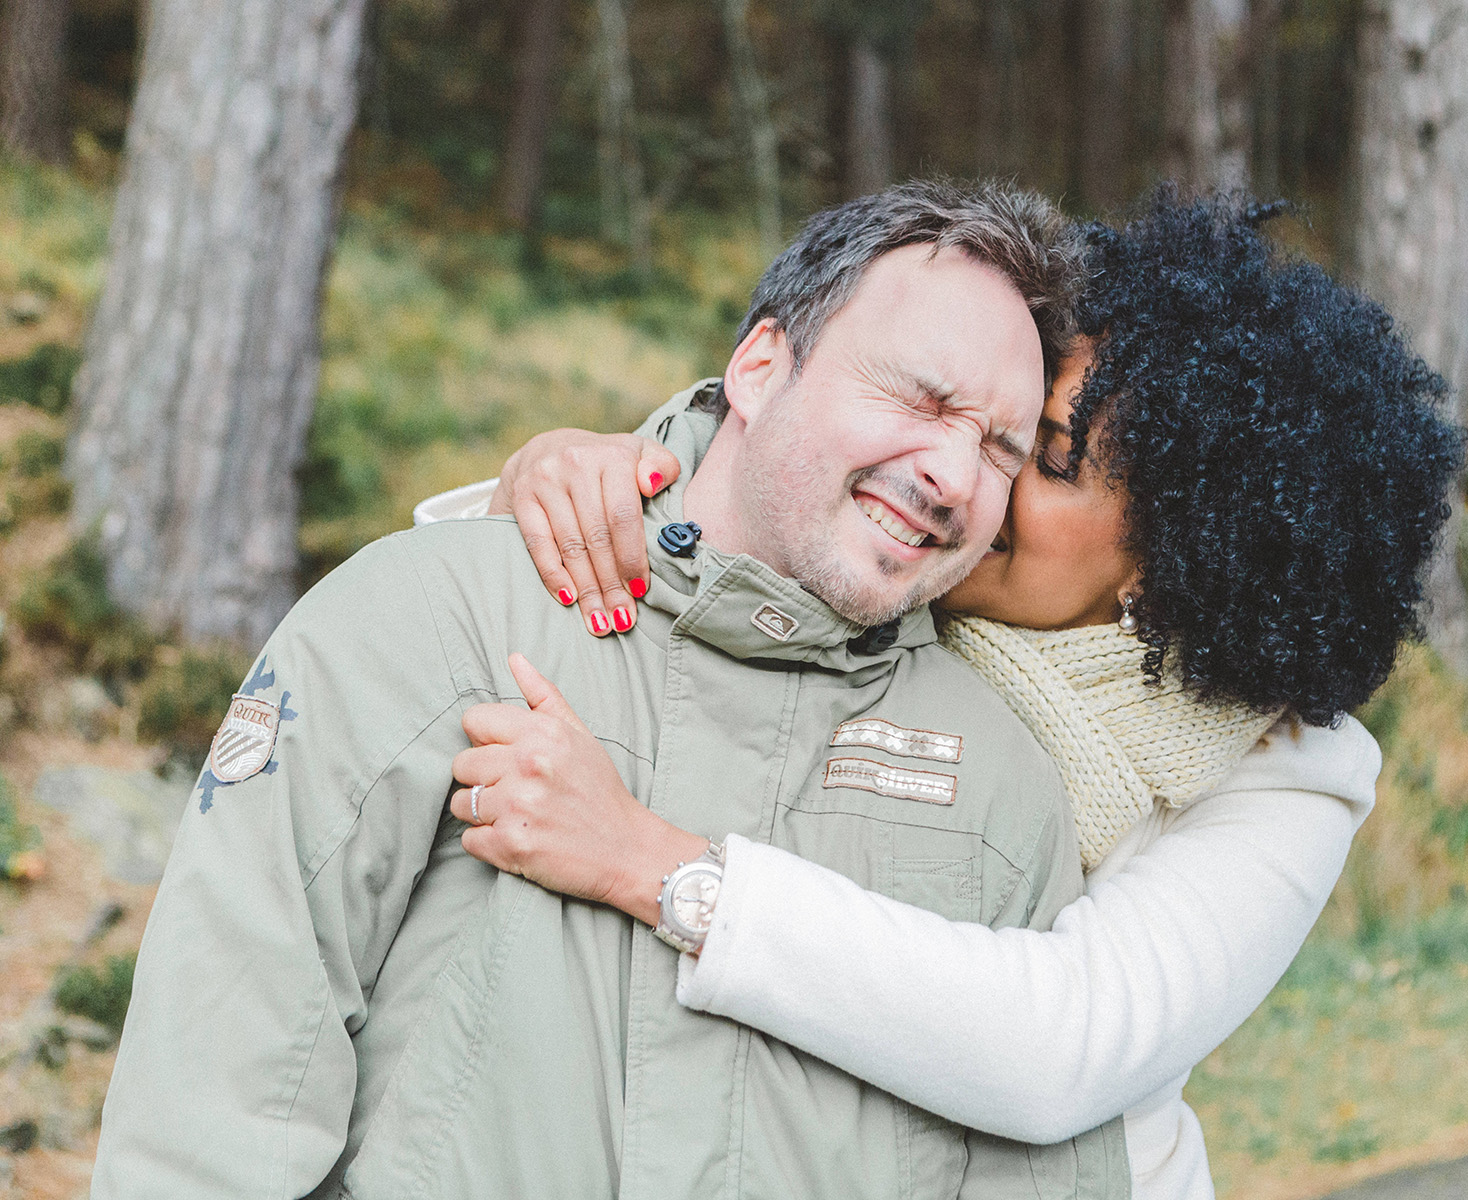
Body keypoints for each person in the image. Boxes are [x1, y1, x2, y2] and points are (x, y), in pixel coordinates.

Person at [93, 181, 1138, 1200]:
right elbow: (215, 1113)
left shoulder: (1001, 791)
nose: (955, 477)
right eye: (920, 396)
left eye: (1001, 447)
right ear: (762, 366)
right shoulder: (428, 626)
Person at [421, 190, 1465, 1199]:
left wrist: (664, 872)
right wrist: (555, 484)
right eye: (1000, 434)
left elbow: (1061, 1043)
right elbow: (708, 545)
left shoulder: (1288, 776)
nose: (968, 479)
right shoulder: (890, 575)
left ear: (1169, 562)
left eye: (1043, 462)